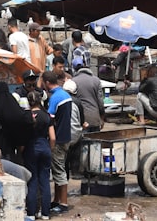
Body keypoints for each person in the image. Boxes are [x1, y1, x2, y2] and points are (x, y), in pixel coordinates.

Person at [44, 70, 73, 216]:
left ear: (47, 83)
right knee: (58, 169)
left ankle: (63, 203)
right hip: (67, 137)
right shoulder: (65, 95)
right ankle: (56, 200)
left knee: (59, 171)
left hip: (59, 138)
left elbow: (50, 119)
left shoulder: (55, 98)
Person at [26, 88, 55, 221]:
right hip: (45, 148)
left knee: (32, 181)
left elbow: (23, 137)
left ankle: (31, 214)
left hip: (31, 149)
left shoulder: (25, 116)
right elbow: (53, 137)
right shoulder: (46, 116)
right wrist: (50, 149)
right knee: (45, 181)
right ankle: (45, 214)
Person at [72, 57, 105, 132]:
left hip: (82, 120)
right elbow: (100, 102)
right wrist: (102, 118)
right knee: (96, 142)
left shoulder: (73, 81)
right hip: (95, 118)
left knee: (84, 142)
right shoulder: (96, 80)